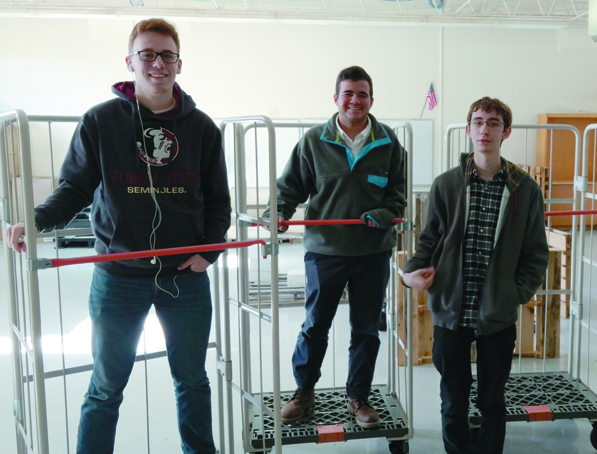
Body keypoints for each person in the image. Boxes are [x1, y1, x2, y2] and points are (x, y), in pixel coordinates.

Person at [5, 18, 231, 454]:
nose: (157, 63)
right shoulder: (100, 121)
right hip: (118, 277)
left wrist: (209, 253)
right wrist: (36, 221)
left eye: (167, 55)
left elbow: (219, 201)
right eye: (147, 54)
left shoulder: (202, 128)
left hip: (184, 279)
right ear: (130, 62)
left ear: (179, 64)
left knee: (192, 379)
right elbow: (74, 188)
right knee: (106, 387)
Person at [402, 97, 548, 454]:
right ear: (468, 129)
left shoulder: (524, 189)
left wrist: (515, 293)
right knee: (453, 397)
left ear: (506, 132)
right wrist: (409, 273)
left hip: (497, 313)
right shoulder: (446, 185)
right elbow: (429, 240)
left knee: (492, 399)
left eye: (494, 123)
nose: (485, 130)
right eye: (478, 122)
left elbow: (535, 252)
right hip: (451, 309)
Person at [263, 66, 405, 428]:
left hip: (373, 252)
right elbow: (288, 188)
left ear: (371, 99)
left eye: (362, 94)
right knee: (315, 325)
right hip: (325, 252)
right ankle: (303, 392)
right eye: (348, 94)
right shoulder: (314, 141)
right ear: (336, 98)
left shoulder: (388, 142)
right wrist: (277, 212)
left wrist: (384, 214)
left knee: (366, 329)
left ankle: (359, 397)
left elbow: (397, 197)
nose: (355, 100)